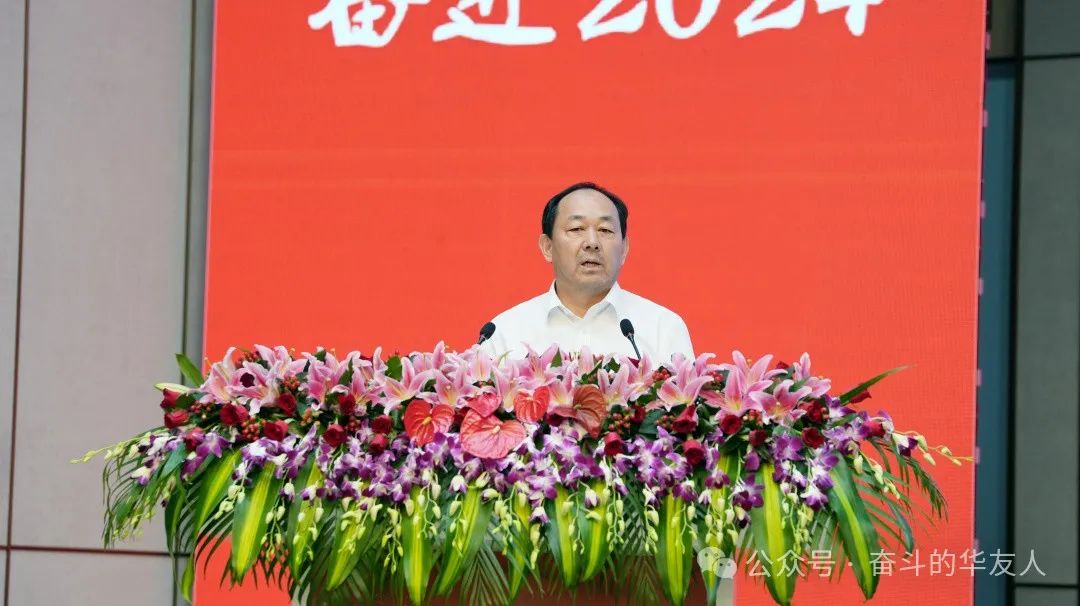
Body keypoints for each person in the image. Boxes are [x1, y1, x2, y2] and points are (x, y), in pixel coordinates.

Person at [479, 182, 694, 362]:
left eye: (605, 230)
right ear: (548, 247)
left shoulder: (663, 329)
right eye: (576, 229)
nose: (592, 242)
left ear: (624, 249)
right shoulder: (504, 333)